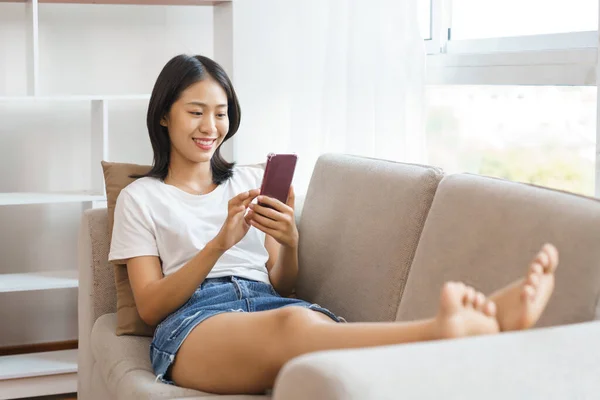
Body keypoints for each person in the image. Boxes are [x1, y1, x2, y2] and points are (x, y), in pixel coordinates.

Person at [108, 54, 559, 395]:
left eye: (221, 112)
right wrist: (217, 245)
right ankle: (441, 333)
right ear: (164, 114)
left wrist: (290, 241)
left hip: (266, 301)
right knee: (293, 326)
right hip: (195, 322)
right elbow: (150, 307)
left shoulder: (249, 180)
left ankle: (475, 337)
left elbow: (281, 281)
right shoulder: (140, 197)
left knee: (301, 324)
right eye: (195, 111)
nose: (211, 125)